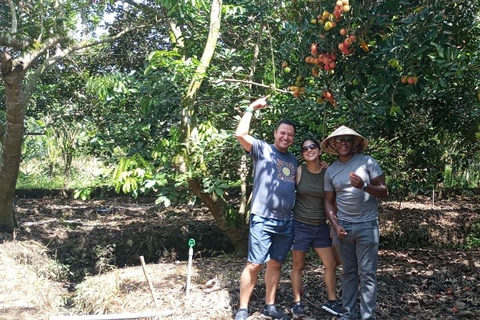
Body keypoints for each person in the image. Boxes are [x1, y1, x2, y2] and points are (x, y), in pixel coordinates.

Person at [234, 96, 297, 320]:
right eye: (282, 132)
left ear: (293, 138)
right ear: (275, 134)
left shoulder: (293, 160)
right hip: (263, 217)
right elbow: (240, 134)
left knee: (276, 263)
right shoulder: (262, 149)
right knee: (254, 264)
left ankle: (270, 305)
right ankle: (243, 308)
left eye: (290, 134)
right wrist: (251, 108)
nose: (286, 137)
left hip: (286, 221)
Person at [321, 125, 389, 320]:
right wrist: (334, 225)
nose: (343, 143)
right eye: (339, 140)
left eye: (347, 139)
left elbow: (384, 191)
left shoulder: (367, 162)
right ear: (333, 144)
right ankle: (349, 313)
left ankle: (368, 316)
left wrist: (365, 186)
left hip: (367, 226)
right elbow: (327, 201)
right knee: (349, 273)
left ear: (354, 143)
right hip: (343, 228)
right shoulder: (331, 170)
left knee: (367, 274)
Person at [290, 138, 343, 317]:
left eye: (313, 147)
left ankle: (332, 300)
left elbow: (332, 200)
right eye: (305, 149)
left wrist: (333, 223)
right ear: (303, 154)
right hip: (300, 225)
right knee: (298, 265)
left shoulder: (328, 172)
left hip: (320, 226)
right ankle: (297, 301)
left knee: (331, 263)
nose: (309, 150)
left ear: (319, 151)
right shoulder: (299, 171)